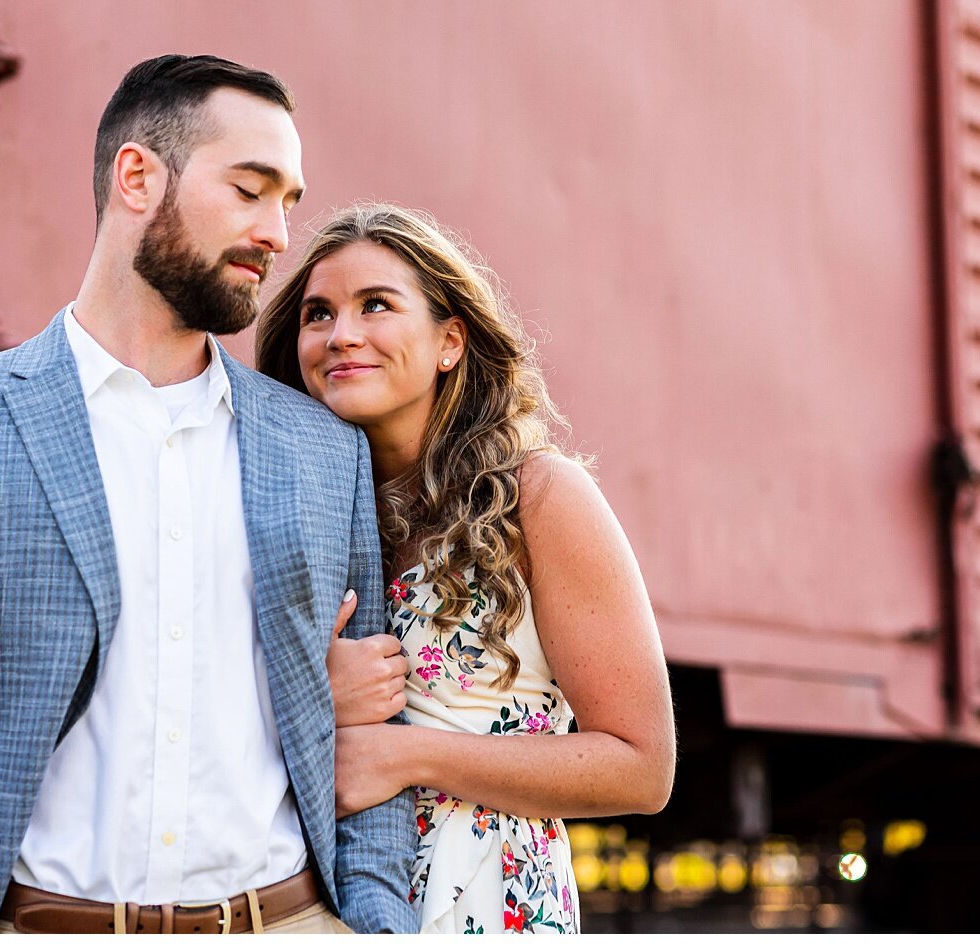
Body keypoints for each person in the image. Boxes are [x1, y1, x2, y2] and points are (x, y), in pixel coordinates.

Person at [0, 56, 417, 934]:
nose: (280, 234)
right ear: (137, 177)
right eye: (251, 190)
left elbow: (373, 730)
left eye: (289, 201)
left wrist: (377, 924)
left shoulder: (323, 450)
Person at [256, 203, 676, 934]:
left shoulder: (539, 496)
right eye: (316, 314)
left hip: (487, 899)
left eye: (375, 305)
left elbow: (642, 767)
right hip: (319, 896)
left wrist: (406, 754)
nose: (340, 335)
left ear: (450, 340)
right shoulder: (290, 509)